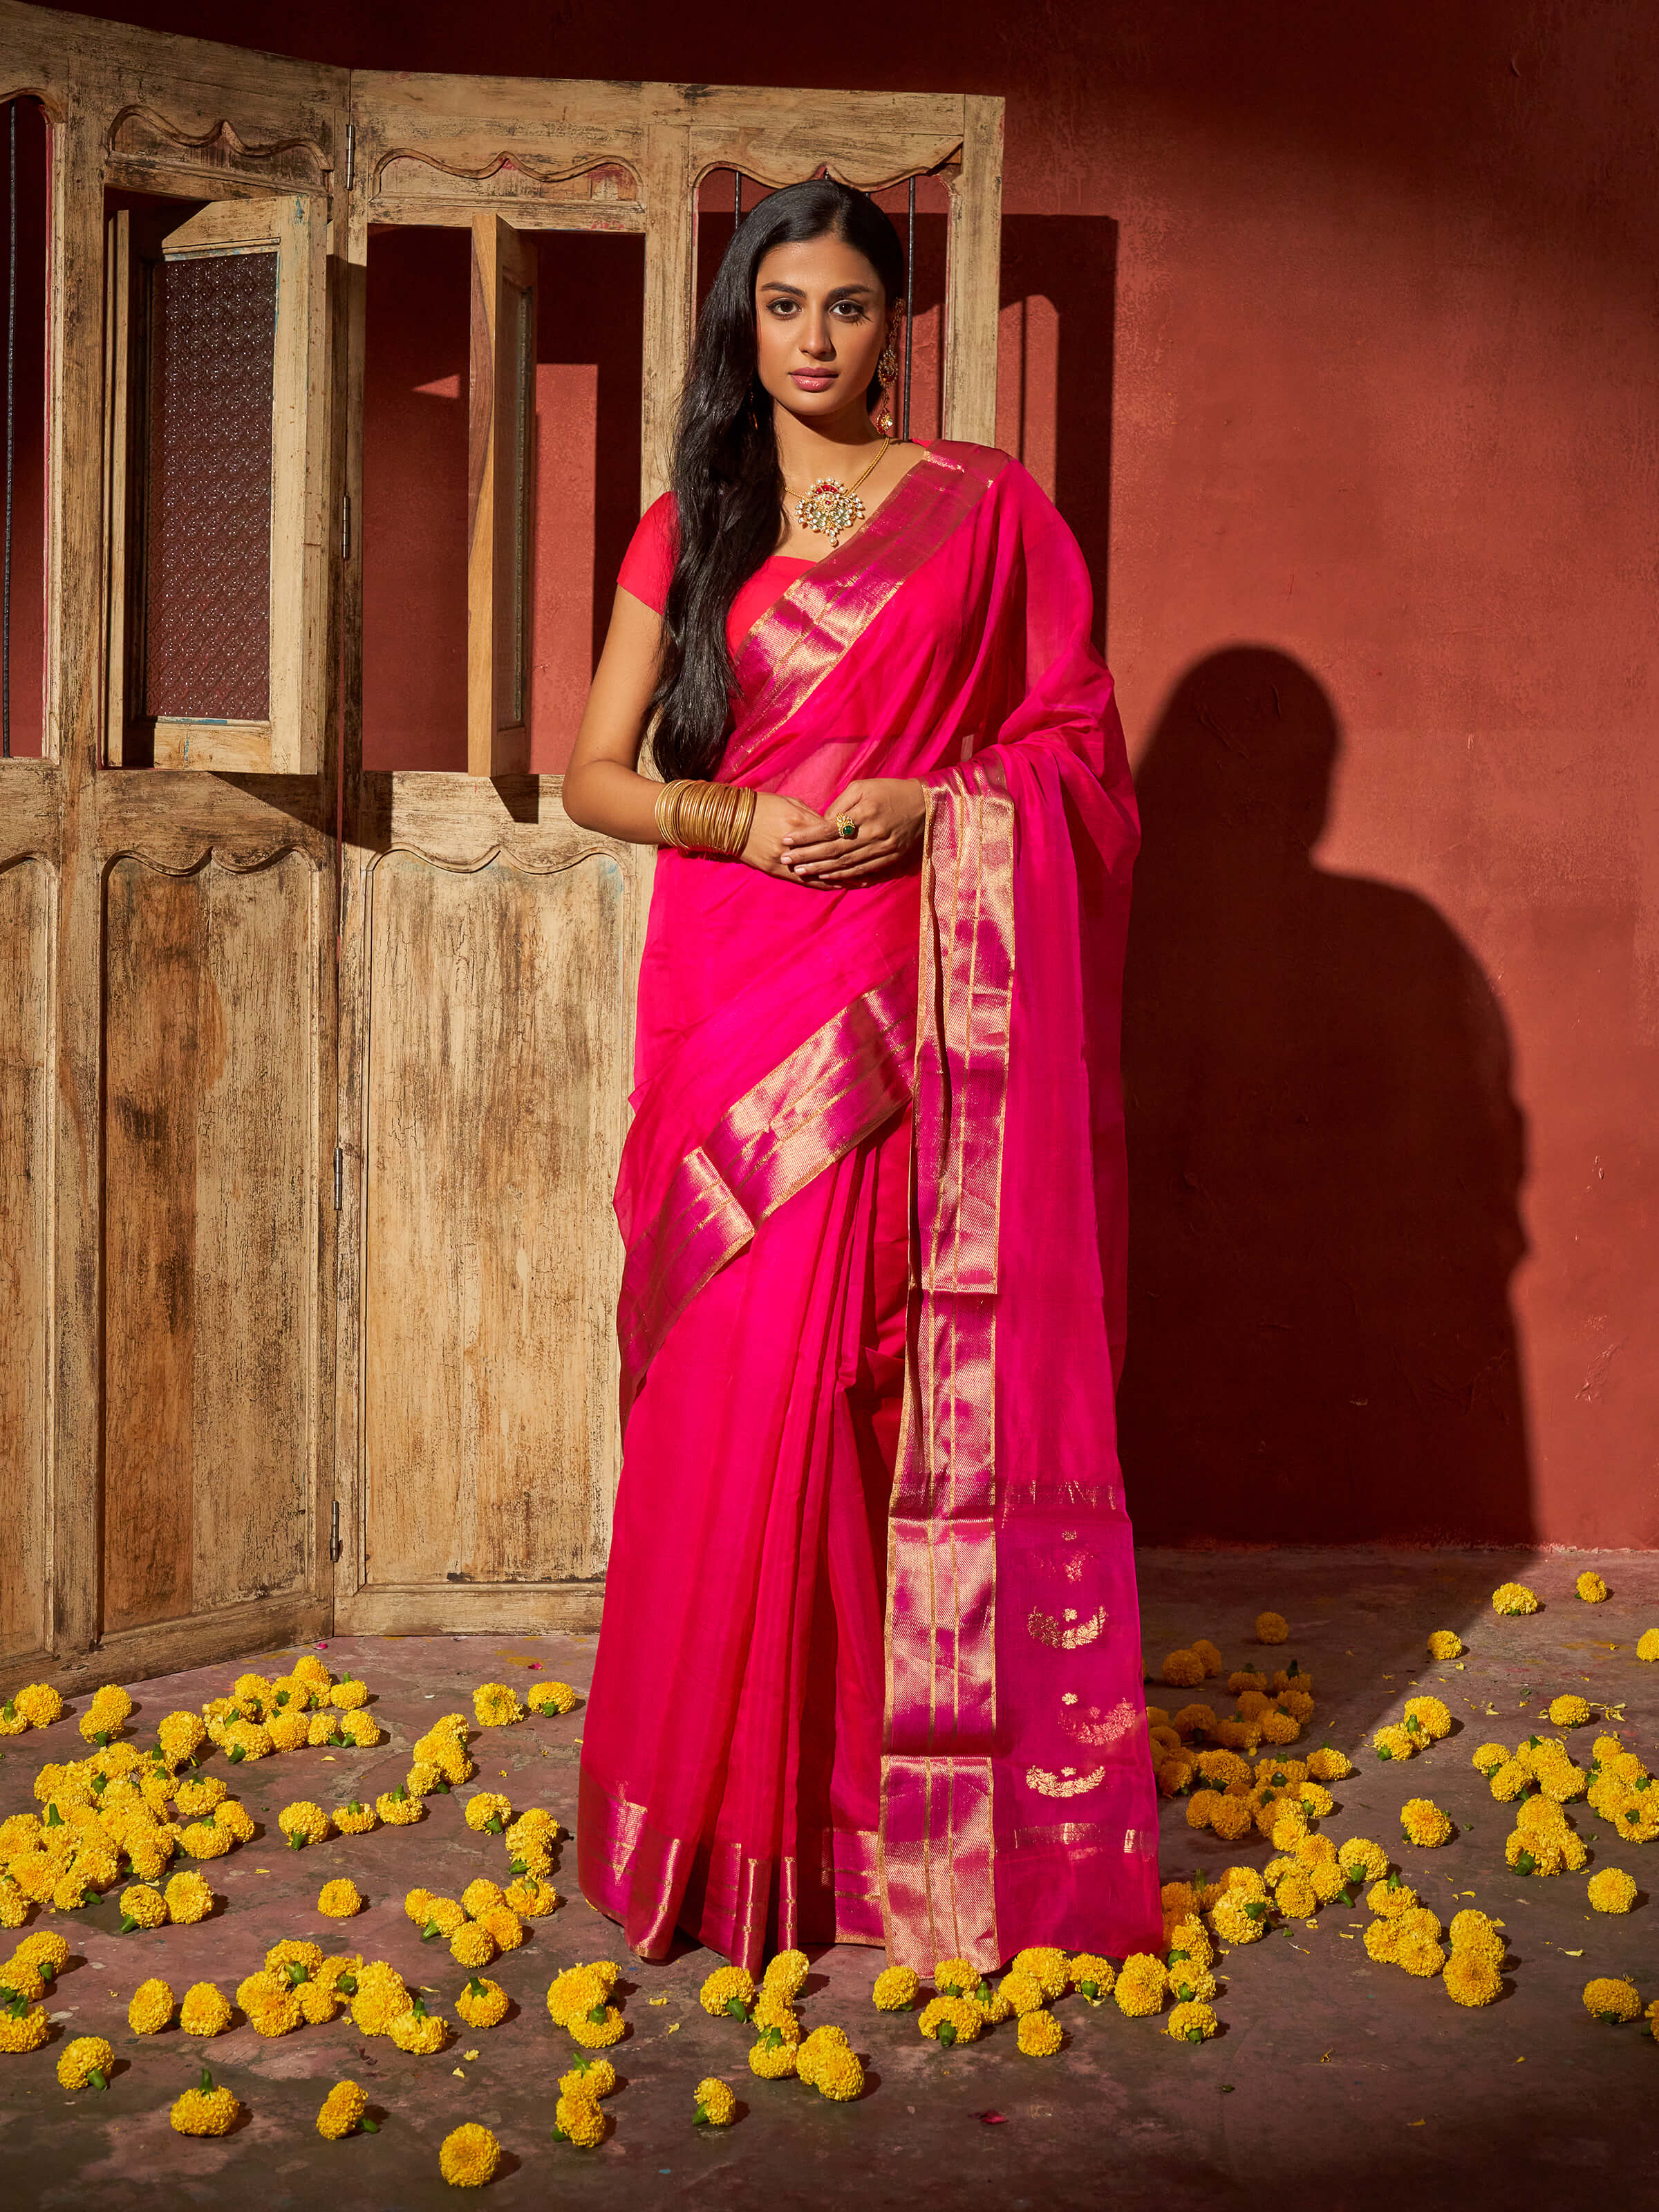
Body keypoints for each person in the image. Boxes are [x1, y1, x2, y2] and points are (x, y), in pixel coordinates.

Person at [562, 177, 1159, 1975]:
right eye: (783, 307)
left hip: (906, 994)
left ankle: (875, 1824)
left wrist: (939, 804)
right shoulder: (694, 521)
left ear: (896, 324)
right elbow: (594, 769)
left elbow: (1078, 748)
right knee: (729, 1388)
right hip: (735, 993)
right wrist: (734, 812)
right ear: (745, 328)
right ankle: (726, 1830)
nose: (814, 338)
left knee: (872, 1392)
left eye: (845, 305)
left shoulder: (990, 515)